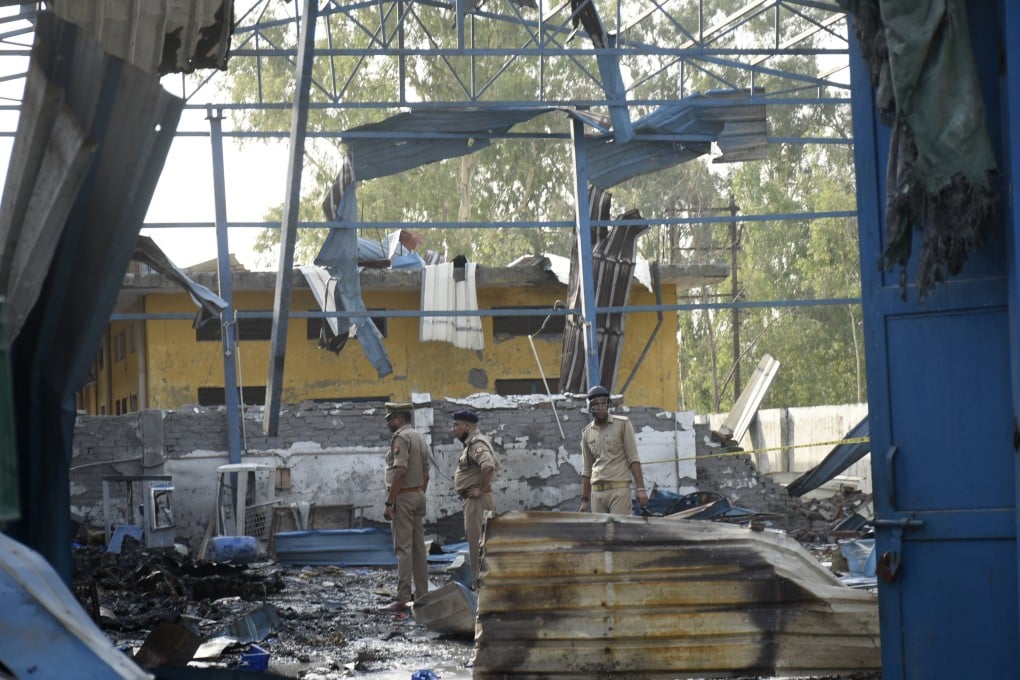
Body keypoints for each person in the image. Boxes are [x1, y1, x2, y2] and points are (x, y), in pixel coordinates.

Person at [382, 402, 430, 611]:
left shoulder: (401, 437)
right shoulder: (419, 437)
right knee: (419, 549)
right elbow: (426, 474)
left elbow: (400, 471)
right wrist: (419, 493)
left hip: (404, 497)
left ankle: (402, 598)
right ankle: (423, 595)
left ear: (399, 419)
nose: (388, 424)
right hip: (418, 495)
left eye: (390, 420)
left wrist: (390, 502)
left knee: (403, 548)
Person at [579, 385, 649, 515]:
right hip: (597, 493)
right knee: (600, 528)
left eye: (603, 403)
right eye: (596, 404)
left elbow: (633, 458)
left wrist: (641, 489)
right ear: (590, 407)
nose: (600, 407)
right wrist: (585, 500)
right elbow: (587, 469)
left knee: (618, 527)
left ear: (608, 405)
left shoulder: (622, 424)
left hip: (619, 490)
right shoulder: (587, 433)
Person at [451, 409, 498, 589]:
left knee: (478, 544)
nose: (453, 429)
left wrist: (480, 489)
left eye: (456, 425)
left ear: (467, 427)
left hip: (478, 502)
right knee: (480, 544)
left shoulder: (476, 444)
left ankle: (482, 587)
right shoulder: (471, 444)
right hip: (476, 501)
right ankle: (484, 585)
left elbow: (488, 466)